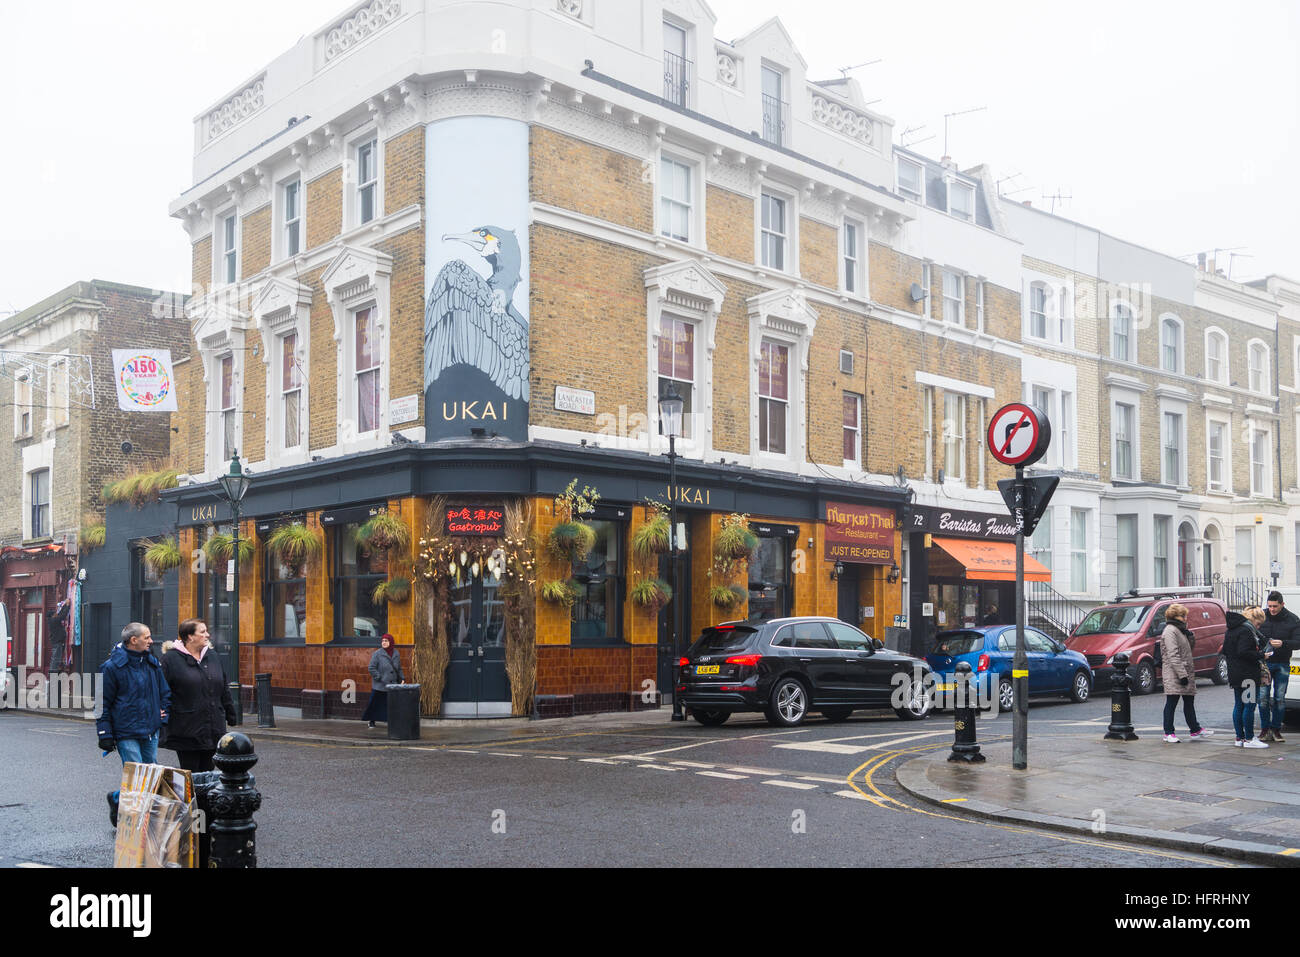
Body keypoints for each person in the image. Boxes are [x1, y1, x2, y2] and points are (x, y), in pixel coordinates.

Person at [97, 623, 170, 827]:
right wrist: (104, 732)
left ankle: (118, 798)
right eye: (146, 637)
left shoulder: (152, 663)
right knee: (138, 775)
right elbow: (100, 701)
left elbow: (165, 693)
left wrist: (162, 715)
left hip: (150, 729)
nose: (151, 641)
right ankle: (139, 821)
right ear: (133, 640)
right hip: (126, 731)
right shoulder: (111, 667)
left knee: (151, 774)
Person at [161, 620, 237, 773]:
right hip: (186, 728)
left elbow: (223, 686)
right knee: (191, 773)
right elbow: (161, 691)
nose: (207, 635)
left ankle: (204, 797)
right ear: (189, 637)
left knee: (208, 771)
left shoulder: (212, 656)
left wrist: (230, 712)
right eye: (202, 632)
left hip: (214, 726)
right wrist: (161, 715)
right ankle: (191, 798)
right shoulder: (170, 659)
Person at [1160, 603, 1212, 743]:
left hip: (1184, 670)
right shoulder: (1170, 631)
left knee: (1189, 701)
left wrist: (1190, 636)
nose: (1185, 618)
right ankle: (1168, 733)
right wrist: (1182, 675)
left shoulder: (1180, 630)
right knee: (1172, 702)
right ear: (1174, 617)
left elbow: (1188, 649)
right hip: (1175, 672)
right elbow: (1173, 655)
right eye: (1182, 616)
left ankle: (1195, 729)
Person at [1257, 591, 1300, 742]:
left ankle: (1276, 730)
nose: (1272, 610)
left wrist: (1283, 643)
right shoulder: (1262, 616)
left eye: (1275, 606)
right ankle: (1264, 729)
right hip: (1264, 663)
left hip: (1282, 663)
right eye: (1269, 606)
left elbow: (1298, 642)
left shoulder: (1293, 619)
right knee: (1262, 698)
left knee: (1280, 698)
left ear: (1282, 604)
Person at [1225, 607, 1269, 748]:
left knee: (1239, 705)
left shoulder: (1231, 629)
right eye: (1258, 624)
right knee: (1249, 706)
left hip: (1236, 674)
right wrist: (1262, 655)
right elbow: (1244, 651)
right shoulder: (1246, 631)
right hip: (1247, 675)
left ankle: (1239, 738)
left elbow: (1226, 650)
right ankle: (1249, 739)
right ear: (1253, 620)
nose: (1259, 626)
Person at [362, 633, 404, 728]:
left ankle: (391, 721)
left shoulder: (396, 653)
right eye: (383, 641)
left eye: (386, 641)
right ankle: (371, 721)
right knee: (375, 704)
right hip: (380, 685)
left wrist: (402, 678)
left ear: (391, 642)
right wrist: (379, 677)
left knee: (391, 704)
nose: (384, 642)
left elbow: (399, 668)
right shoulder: (377, 654)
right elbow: (371, 668)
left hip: (392, 684)